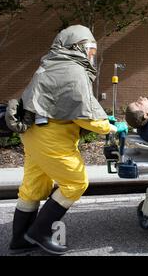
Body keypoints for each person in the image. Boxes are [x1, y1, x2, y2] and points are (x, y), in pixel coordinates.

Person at [6, 25, 128, 255]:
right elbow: (83, 114)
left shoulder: (52, 65)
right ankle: (39, 232)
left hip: (34, 135)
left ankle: (19, 240)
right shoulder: (72, 70)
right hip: (51, 138)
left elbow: (68, 104)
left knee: (33, 188)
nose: (91, 55)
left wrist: (102, 116)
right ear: (76, 47)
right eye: (90, 50)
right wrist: (110, 126)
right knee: (76, 182)